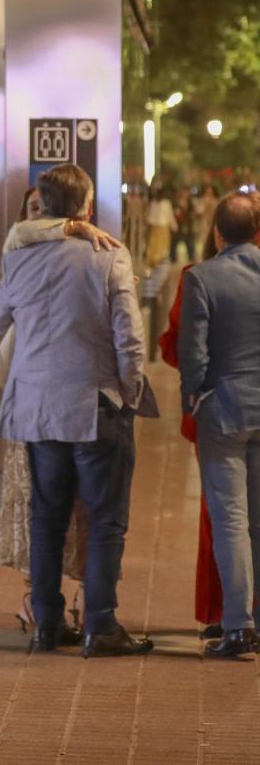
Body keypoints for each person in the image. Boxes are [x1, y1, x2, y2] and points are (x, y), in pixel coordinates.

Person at [0, 164, 153, 657]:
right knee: (106, 520)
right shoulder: (109, 257)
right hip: (96, 403)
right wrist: (130, 391)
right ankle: (100, 625)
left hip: (38, 408)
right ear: (87, 207)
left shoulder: (19, 259)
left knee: (47, 519)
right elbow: (130, 338)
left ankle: (47, 624)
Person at [177, 192, 260, 660]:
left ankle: (238, 626)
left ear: (217, 232)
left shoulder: (202, 277)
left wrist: (194, 396)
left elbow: (193, 350)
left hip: (225, 411)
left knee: (231, 520)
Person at [159, 224, 225, 639]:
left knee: (218, 513)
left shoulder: (197, 276)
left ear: (217, 233)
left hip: (214, 413)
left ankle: (222, 612)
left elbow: (175, 345)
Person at [146, 188, 175, 267]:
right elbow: (170, 215)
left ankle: (155, 261)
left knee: (155, 244)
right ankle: (159, 261)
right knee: (162, 245)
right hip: (163, 227)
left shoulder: (155, 203)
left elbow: (151, 216)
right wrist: (174, 226)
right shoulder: (166, 203)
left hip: (157, 227)